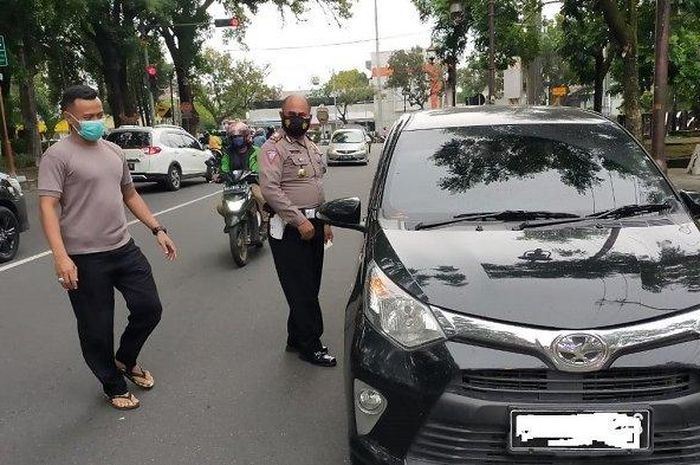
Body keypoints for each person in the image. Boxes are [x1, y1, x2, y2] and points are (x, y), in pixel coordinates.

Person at [38, 85, 177, 411]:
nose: (96, 121)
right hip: (85, 258)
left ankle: (125, 359)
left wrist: (157, 228)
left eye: (100, 114)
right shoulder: (57, 156)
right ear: (68, 117)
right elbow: (48, 207)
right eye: (88, 116)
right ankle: (112, 384)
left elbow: (129, 194)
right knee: (96, 329)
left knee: (149, 308)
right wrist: (61, 257)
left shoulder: (113, 151)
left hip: (123, 248)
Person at [260, 95, 336, 367]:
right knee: (302, 288)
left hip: (314, 223)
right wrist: (299, 221)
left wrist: (324, 220)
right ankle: (311, 345)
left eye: (302, 114)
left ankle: (295, 336)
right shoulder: (273, 148)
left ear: (310, 116)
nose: (297, 118)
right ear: (282, 115)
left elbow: (317, 185)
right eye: (291, 113)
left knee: (309, 284)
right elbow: (270, 189)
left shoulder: (311, 146)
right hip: (291, 227)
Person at [220, 122, 267, 228]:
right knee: (220, 207)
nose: (237, 139)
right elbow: (224, 167)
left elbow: (262, 165)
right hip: (233, 185)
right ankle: (230, 221)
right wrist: (222, 174)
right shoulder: (228, 153)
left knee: (260, 197)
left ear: (246, 137)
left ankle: (265, 222)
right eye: (234, 137)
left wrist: (257, 172)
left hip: (252, 183)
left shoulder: (256, 151)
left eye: (239, 137)